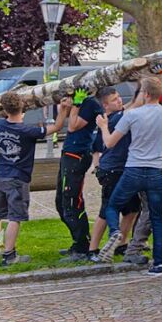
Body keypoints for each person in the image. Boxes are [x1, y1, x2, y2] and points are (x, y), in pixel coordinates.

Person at [95, 76, 162, 275]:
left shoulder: (132, 115)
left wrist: (103, 126)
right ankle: (159, 264)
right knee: (157, 217)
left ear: (145, 94)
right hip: (157, 171)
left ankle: (115, 232)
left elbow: (109, 143)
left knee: (113, 205)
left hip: (134, 168)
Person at [0, 93, 72, 265]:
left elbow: (5, 116)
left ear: (5, 109)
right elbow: (57, 127)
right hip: (18, 178)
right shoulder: (29, 131)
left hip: (1, 176)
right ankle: (9, 255)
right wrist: (64, 109)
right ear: (22, 109)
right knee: (15, 218)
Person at [87, 86, 141, 262]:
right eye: (114, 100)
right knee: (107, 209)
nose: (119, 101)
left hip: (123, 167)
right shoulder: (116, 118)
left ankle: (120, 243)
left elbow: (132, 103)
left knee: (132, 209)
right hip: (113, 169)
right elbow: (137, 103)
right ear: (105, 105)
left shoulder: (108, 118)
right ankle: (93, 248)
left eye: (119, 97)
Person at [57, 88, 104, 261]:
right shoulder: (81, 103)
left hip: (77, 155)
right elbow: (62, 123)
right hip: (69, 153)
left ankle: (82, 246)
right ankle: (78, 242)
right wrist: (65, 107)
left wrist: (76, 104)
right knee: (61, 202)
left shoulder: (90, 103)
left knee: (71, 201)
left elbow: (73, 125)